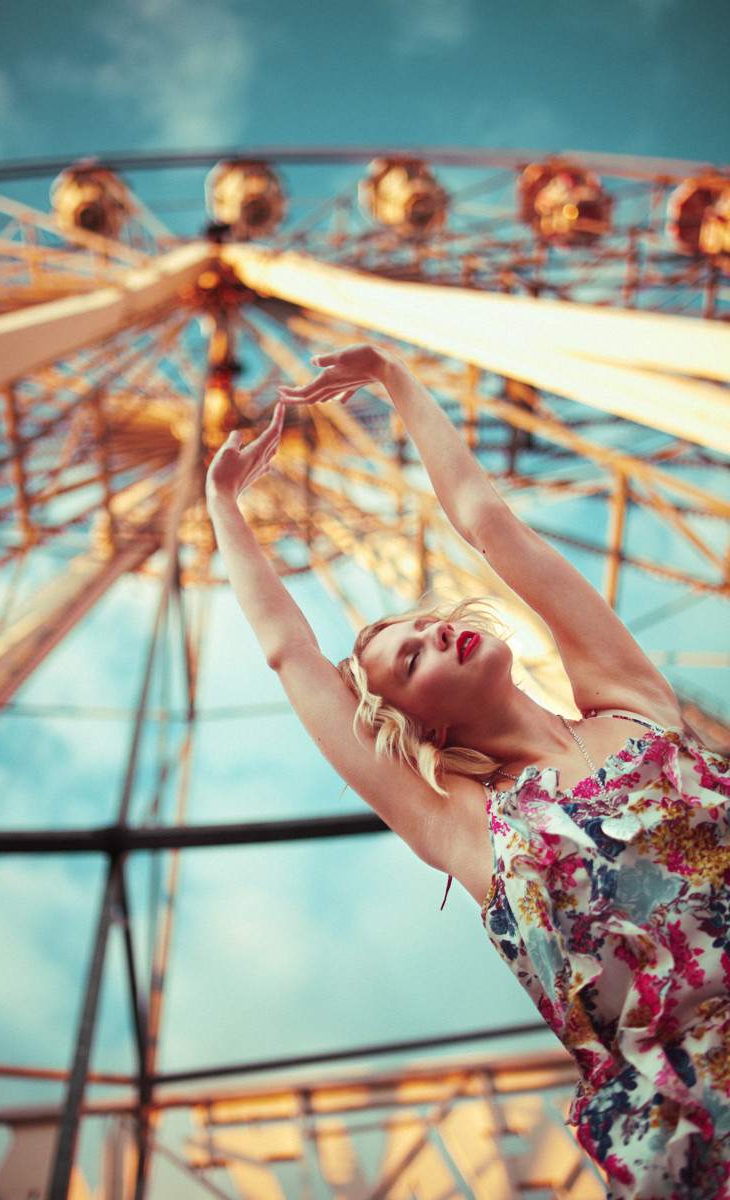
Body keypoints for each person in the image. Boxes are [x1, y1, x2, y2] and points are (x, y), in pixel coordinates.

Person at [206, 342, 730, 1200]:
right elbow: (288, 654)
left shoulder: (631, 699)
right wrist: (223, 504)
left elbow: (488, 521)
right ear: (423, 724)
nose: (435, 633)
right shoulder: (472, 830)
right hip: (688, 1121)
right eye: (411, 661)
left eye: (426, 624)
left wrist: (393, 377)